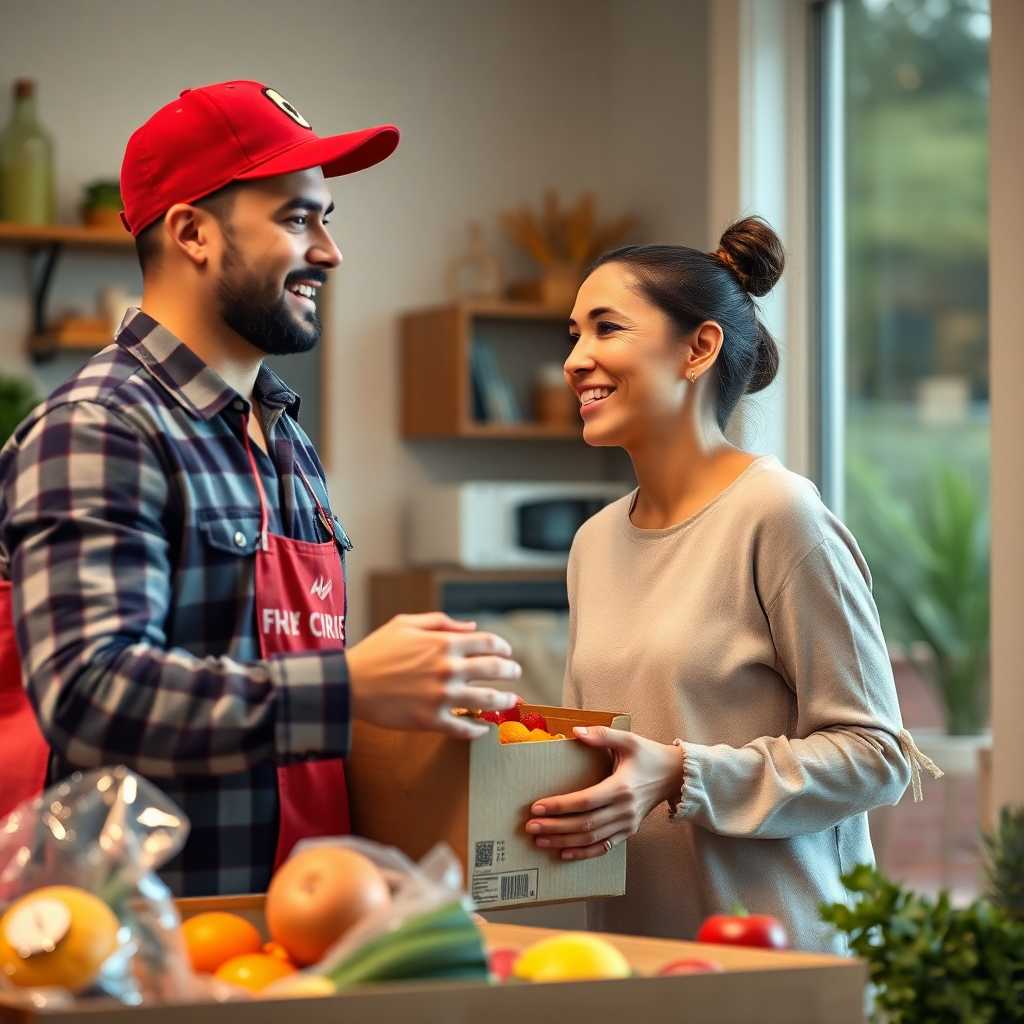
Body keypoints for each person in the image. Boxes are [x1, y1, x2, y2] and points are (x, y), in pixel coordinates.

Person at [0, 80, 521, 895]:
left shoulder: (284, 436)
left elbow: (257, 659)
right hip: (145, 946)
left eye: (326, 220)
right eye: (295, 219)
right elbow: (90, 690)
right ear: (192, 233)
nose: (330, 252)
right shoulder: (99, 428)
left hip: (297, 929)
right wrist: (351, 686)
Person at [522, 217, 942, 953]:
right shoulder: (593, 544)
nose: (575, 360)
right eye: (573, 336)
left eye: (606, 329)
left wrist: (683, 773)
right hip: (634, 959)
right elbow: (608, 761)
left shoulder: (779, 516)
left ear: (699, 347)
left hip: (779, 961)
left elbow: (877, 755)